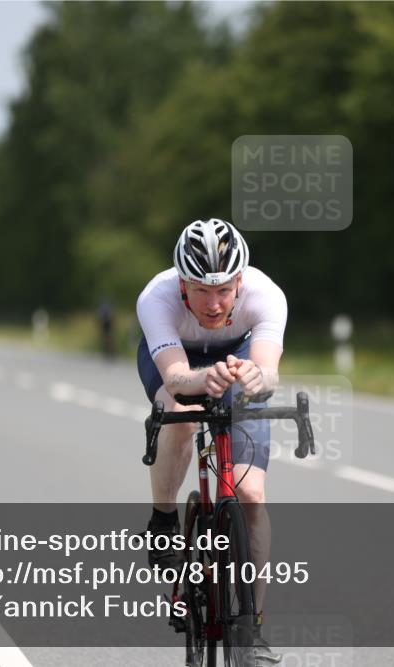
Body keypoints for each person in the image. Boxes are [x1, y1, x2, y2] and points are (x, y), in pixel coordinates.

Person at [136, 218, 287, 664]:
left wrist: (255, 377)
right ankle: (163, 518)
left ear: (241, 280)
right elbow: (178, 378)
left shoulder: (266, 295)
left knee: (251, 494)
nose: (214, 302)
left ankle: (254, 629)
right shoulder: (156, 297)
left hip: (237, 356)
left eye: (224, 289)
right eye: (201, 289)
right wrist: (204, 378)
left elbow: (268, 372)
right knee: (181, 414)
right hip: (177, 360)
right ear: (182, 283)